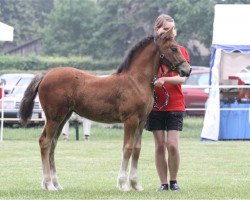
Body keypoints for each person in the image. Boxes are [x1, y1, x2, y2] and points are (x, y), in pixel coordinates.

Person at [145, 14, 190, 191]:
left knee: (172, 144)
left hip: (175, 104)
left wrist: (164, 80)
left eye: (171, 28)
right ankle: (163, 183)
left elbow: (183, 78)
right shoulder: (150, 53)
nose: (169, 31)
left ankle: (174, 181)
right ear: (157, 29)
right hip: (155, 105)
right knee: (159, 146)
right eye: (165, 28)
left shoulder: (180, 50)